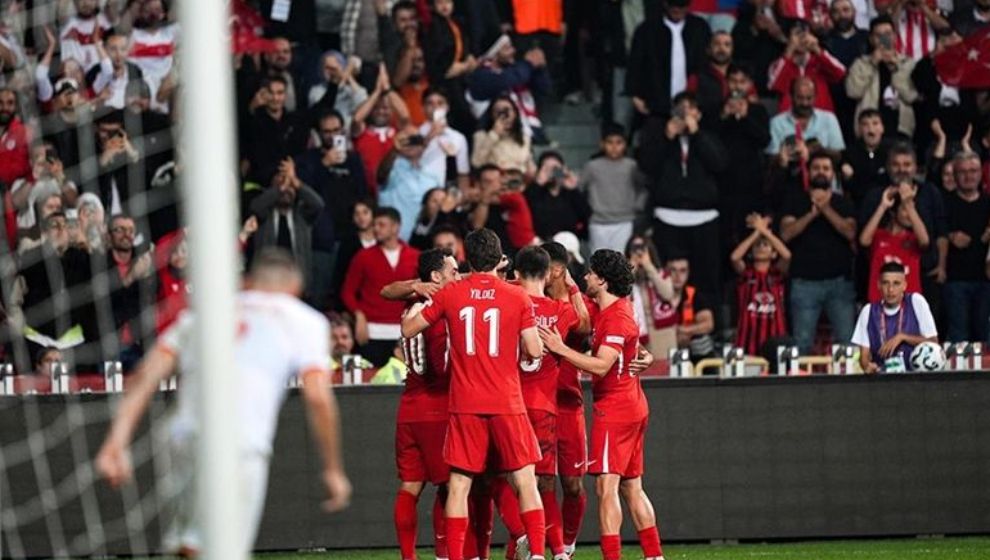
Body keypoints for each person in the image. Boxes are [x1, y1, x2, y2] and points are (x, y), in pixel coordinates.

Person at [95, 250, 352, 556]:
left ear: (249, 282)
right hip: (240, 444)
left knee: (191, 547)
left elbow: (146, 375)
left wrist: (116, 441)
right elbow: (317, 396)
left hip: (182, 439)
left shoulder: (204, 313)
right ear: (295, 288)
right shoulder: (304, 320)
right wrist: (333, 469)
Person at [400, 229, 546, 560]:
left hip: (465, 403)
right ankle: (537, 554)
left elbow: (409, 329)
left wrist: (418, 292)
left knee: (460, 484)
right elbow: (535, 350)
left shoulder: (451, 294)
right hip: (508, 402)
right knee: (525, 480)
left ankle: (454, 556)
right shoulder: (517, 295)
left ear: (468, 257)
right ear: (497, 259)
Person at [539, 249, 664, 560]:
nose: (585, 277)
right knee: (632, 487)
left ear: (603, 280)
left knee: (605, 488)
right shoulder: (611, 308)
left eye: (591, 273)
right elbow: (588, 314)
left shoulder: (617, 317)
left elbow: (601, 365)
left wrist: (558, 348)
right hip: (631, 404)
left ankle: (612, 556)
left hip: (617, 409)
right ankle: (655, 555)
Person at [514, 246, 587, 560]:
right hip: (544, 407)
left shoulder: (508, 301)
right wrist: (572, 289)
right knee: (542, 484)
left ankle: (540, 546)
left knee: (501, 480)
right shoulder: (562, 310)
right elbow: (582, 322)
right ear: (549, 272)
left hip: (514, 404)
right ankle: (552, 550)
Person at [393, 248, 461, 560]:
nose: (457, 277)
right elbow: (438, 364)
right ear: (435, 277)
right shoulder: (437, 313)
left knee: (410, 487)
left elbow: (386, 290)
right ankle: (444, 554)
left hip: (408, 408)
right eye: (452, 272)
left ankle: (409, 556)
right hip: (436, 408)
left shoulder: (410, 303)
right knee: (448, 488)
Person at [638, 91, 727, 303]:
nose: (686, 114)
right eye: (681, 110)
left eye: (691, 110)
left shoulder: (710, 135)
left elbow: (720, 164)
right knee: (668, 275)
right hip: (668, 216)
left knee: (706, 277)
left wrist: (697, 135)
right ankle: (668, 323)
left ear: (699, 114)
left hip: (704, 217)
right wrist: (666, 137)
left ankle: (706, 326)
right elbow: (647, 166)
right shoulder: (659, 135)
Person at [780, 152, 858, 354]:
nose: (821, 172)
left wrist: (826, 209)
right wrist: (811, 214)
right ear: (808, 171)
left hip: (840, 284)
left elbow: (850, 233)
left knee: (847, 344)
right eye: (816, 168)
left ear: (833, 174)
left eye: (826, 168)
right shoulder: (795, 200)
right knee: (802, 345)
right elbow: (786, 234)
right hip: (804, 284)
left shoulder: (843, 202)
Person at [341, 207, 421, 367]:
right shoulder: (363, 256)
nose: (376, 229)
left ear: (395, 227)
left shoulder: (415, 256)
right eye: (375, 225)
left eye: (381, 225)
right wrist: (358, 315)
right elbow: (347, 292)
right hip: (371, 333)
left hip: (405, 333)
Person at [249, 158, 326, 298]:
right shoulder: (264, 215)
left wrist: (296, 181)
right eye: (281, 185)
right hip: (267, 285)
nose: (286, 190)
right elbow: (256, 206)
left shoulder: (302, 216)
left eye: (291, 187)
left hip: (297, 287)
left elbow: (318, 204)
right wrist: (281, 187)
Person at [625, 0, 712, 117]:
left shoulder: (700, 28)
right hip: (655, 104)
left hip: (693, 105)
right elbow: (635, 63)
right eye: (672, 3)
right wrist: (635, 94)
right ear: (665, 3)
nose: (677, 9)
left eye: (681, 4)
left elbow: (707, 65)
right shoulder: (646, 29)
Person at [852, 261, 938, 373]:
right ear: (878, 285)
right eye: (885, 283)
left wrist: (902, 337)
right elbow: (864, 357)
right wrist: (868, 367)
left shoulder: (916, 302)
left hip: (914, 377)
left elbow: (934, 343)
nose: (890, 289)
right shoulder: (868, 311)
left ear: (904, 285)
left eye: (896, 283)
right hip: (882, 378)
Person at [942, 151, 990, 343]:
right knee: (958, 337)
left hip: (985, 280)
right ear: (954, 174)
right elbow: (935, 231)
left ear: (980, 173)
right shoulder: (945, 202)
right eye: (963, 171)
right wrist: (950, 235)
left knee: (986, 336)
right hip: (955, 279)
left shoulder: (988, 202)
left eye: (974, 171)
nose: (969, 176)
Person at [845, 15, 919, 139]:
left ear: (895, 36)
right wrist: (872, 64)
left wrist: (895, 70)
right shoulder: (861, 63)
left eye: (888, 34)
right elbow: (853, 92)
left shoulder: (908, 63)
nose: (884, 39)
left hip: (900, 129)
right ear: (871, 39)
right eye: (879, 35)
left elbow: (911, 96)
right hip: (869, 130)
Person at [729, 214, 791, 356]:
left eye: (766, 244)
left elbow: (787, 255)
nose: (761, 247)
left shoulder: (777, 274)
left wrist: (764, 231)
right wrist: (758, 231)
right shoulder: (746, 274)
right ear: (751, 253)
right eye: (757, 245)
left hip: (776, 341)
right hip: (747, 341)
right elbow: (734, 257)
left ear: (774, 253)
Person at [581, 123, 647, 253]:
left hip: (624, 221)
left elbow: (643, 188)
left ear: (625, 144)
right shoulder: (592, 166)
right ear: (602, 144)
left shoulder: (631, 166)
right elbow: (579, 187)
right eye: (610, 142)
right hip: (598, 222)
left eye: (619, 142)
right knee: (599, 263)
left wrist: (637, 206)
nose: (614, 147)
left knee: (621, 262)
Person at [859, 182, 931, 302]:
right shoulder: (878, 235)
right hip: (879, 302)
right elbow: (864, 241)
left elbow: (925, 242)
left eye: (913, 209)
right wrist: (883, 205)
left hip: (908, 305)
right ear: (893, 212)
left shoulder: (913, 238)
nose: (910, 214)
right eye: (904, 209)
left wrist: (908, 204)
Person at [352, 64, 412, 196]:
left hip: (396, 191)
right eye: (376, 108)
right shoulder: (362, 132)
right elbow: (357, 119)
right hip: (367, 192)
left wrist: (387, 89)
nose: (381, 111)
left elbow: (405, 115)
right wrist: (377, 92)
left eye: (385, 108)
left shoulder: (398, 131)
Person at [378, 126, 445, 241]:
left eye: (415, 139)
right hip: (390, 239)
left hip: (420, 240)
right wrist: (394, 150)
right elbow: (381, 176)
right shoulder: (392, 168)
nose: (411, 143)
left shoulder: (432, 178)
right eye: (406, 140)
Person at [767, 23, 846, 112]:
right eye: (797, 35)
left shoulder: (820, 61)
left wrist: (816, 48)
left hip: (822, 119)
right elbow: (774, 85)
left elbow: (840, 73)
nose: (802, 39)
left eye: (805, 34)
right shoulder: (779, 64)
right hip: (790, 121)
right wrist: (790, 49)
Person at [767, 77, 846, 161]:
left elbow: (839, 155)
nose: (805, 103)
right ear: (790, 97)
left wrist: (819, 150)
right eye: (800, 98)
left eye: (809, 98)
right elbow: (770, 158)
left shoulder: (829, 119)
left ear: (815, 97)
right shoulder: (776, 123)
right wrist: (786, 155)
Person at [626, 236, 677, 360]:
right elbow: (621, 297)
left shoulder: (661, 274)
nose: (639, 253)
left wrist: (649, 266)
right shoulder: (625, 280)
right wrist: (630, 270)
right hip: (638, 339)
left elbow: (667, 294)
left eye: (642, 248)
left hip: (663, 335)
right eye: (635, 249)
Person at [525, 152, 591, 242]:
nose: (551, 172)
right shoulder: (534, 192)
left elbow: (586, 214)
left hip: (569, 242)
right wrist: (538, 183)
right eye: (547, 168)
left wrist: (574, 189)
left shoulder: (570, 192)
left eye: (555, 168)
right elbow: (526, 208)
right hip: (542, 242)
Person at [419, 88, 471, 192]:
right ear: (423, 108)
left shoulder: (458, 138)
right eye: (430, 103)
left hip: (448, 193)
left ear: (447, 107)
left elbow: (463, 174)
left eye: (440, 103)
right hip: (421, 190)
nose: (435, 107)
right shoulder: (416, 133)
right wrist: (430, 136)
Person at [471, 94, 536, 176]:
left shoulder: (525, 138)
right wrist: (494, 134)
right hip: (496, 181)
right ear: (491, 114)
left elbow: (529, 165)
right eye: (498, 111)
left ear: (515, 113)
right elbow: (477, 163)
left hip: (519, 181)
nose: (503, 115)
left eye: (506, 110)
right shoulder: (481, 136)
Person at [841, 109, 889, 206]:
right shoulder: (850, 153)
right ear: (859, 129)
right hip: (859, 204)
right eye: (865, 124)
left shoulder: (891, 151)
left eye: (875, 123)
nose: (871, 129)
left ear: (882, 128)